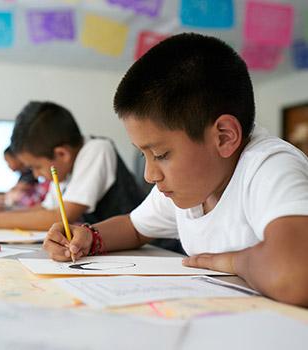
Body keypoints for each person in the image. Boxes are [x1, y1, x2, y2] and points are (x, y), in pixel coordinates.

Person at [43, 33, 308, 306]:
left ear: (224, 137)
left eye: (161, 154)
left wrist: (231, 261)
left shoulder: (269, 166)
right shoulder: (194, 185)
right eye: (144, 154)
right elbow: (134, 228)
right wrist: (89, 236)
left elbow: (294, 275)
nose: (149, 174)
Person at [0, 101, 144, 231]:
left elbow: (60, 216)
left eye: (36, 166)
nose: (36, 174)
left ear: (61, 154)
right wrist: (8, 212)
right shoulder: (65, 169)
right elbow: (46, 209)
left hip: (151, 248)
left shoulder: (97, 150)